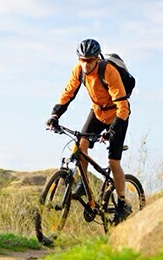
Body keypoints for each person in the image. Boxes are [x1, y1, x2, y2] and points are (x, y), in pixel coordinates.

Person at [46, 38, 132, 225]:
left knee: (113, 161)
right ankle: (83, 185)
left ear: (96, 58)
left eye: (90, 60)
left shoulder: (109, 71)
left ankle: (123, 203)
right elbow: (68, 93)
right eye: (82, 60)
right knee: (80, 145)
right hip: (98, 112)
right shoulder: (78, 71)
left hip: (118, 114)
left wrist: (112, 131)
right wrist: (55, 115)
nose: (85, 64)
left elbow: (123, 106)